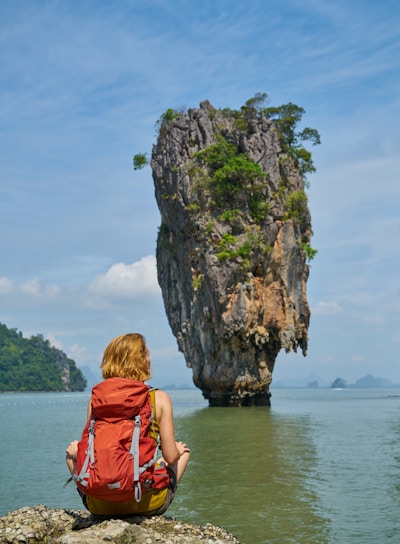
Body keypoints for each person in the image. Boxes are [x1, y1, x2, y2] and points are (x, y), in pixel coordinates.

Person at [65, 333, 190, 516]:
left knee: (71, 454)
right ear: (142, 361)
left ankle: (99, 499)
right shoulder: (159, 399)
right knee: (182, 453)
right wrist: (178, 450)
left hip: (99, 507)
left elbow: (90, 450)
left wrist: (75, 452)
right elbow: (171, 458)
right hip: (144, 503)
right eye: (147, 355)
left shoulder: (95, 400)